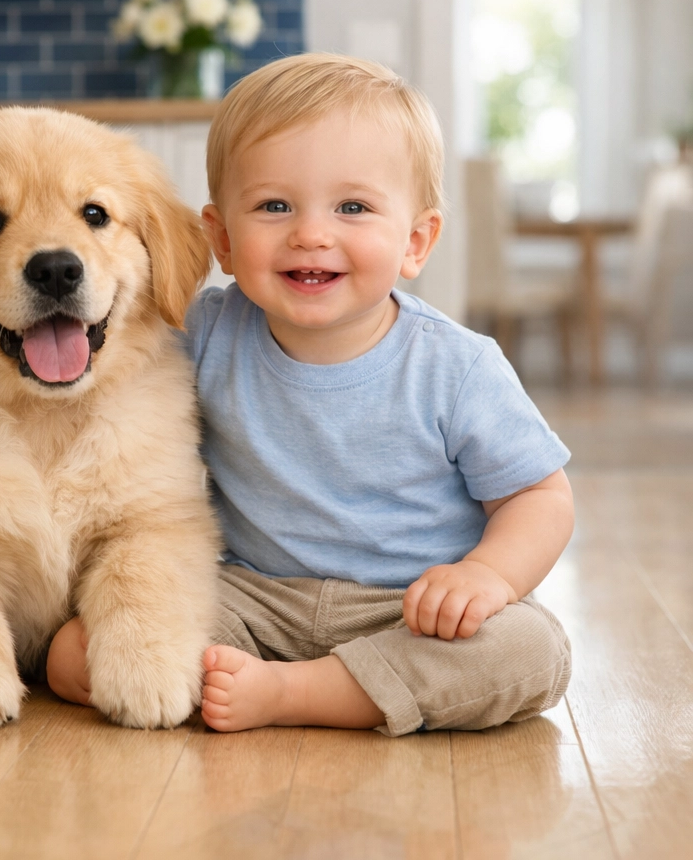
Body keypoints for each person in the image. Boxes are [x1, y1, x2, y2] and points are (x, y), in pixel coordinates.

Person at [46, 53, 573, 736]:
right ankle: (299, 683)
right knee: (72, 655)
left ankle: (298, 693)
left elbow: (541, 497)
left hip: (409, 608)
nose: (311, 233)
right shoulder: (205, 332)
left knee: (529, 654)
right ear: (223, 239)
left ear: (415, 242)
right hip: (251, 595)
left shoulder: (457, 366)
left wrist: (486, 577)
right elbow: (106, 372)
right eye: (274, 206)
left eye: (352, 207)